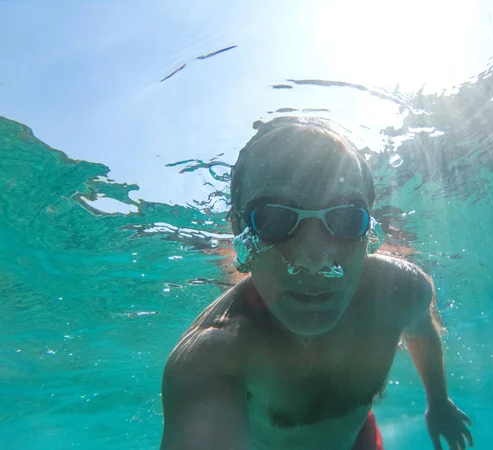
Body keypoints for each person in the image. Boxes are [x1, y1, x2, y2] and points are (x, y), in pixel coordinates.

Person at [160, 117, 474, 450]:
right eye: (274, 219)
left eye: (346, 218)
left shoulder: (401, 290)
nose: (315, 260)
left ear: (369, 229)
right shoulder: (215, 355)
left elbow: (421, 330)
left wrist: (438, 402)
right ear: (239, 230)